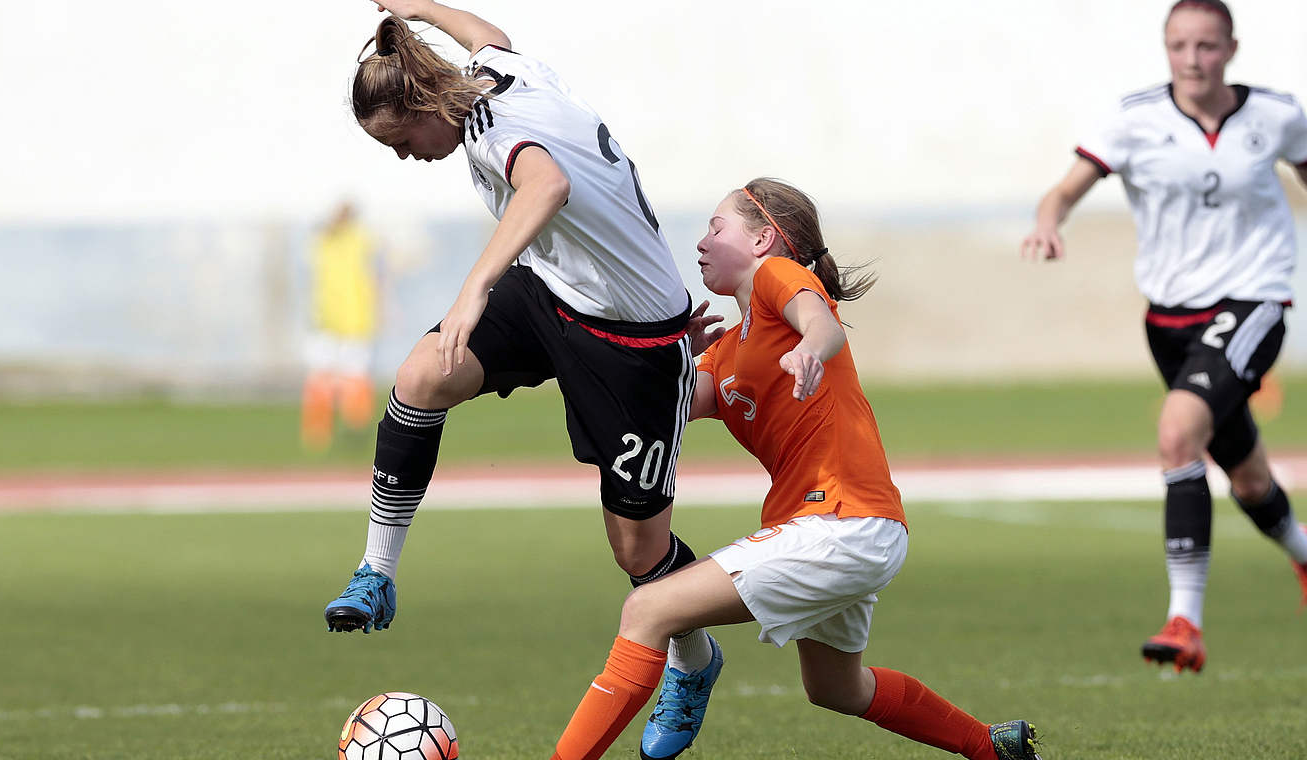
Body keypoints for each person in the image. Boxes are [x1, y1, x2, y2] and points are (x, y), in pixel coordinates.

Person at [323, 2, 721, 743]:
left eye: (402, 141)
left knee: (637, 551)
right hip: (550, 289)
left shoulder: (494, 128)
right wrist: (419, 9)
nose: (405, 156)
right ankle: (377, 572)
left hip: (630, 338)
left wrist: (474, 288)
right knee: (420, 378)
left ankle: (694, 658)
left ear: (420, 104)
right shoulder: (496, 74)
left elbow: (546, 187)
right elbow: (488, 35)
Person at [548, 179, 1041, 760]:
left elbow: (823, 323)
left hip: (839, 521)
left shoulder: (774, 277)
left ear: (764, 238)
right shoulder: (728, 349)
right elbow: (671, 409)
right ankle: (989, 746)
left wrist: (811, 346)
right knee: (835, 687)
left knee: (648, 609)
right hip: (852, 528)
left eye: (716, 227)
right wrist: (667, 353)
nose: (701, 241)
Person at [1022, 0, 1307, 674]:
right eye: (1179, 45)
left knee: (1178, 431)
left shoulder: (1276, 115)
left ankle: (1186, 620)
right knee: (1247, 474)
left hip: (1253, 299)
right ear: (1165, 48)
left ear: (1230, 48)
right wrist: (1049, 221)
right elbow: (1063, 191)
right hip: (1169, 322)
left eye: (1206, 46)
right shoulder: (1135, 120)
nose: (1192, 59)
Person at [301, 201, 381, 451]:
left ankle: (356, 428)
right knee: (321, 378)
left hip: (356, 321)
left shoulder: (360, 239)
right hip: (326, 320)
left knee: (355, 377)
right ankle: (318, 431)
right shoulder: (324, 240)